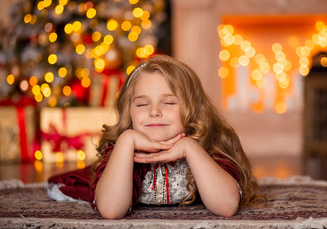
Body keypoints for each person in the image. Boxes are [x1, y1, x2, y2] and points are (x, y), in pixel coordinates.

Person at [47, 55, 265, 219]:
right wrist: (127, 141)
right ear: (129, 113)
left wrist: (190, 148)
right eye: (142, 104)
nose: (154, 111)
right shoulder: (122, 147)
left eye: (169, 102)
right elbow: (111, 210)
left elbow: (226, 206)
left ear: (194, 110)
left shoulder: (207, 143)